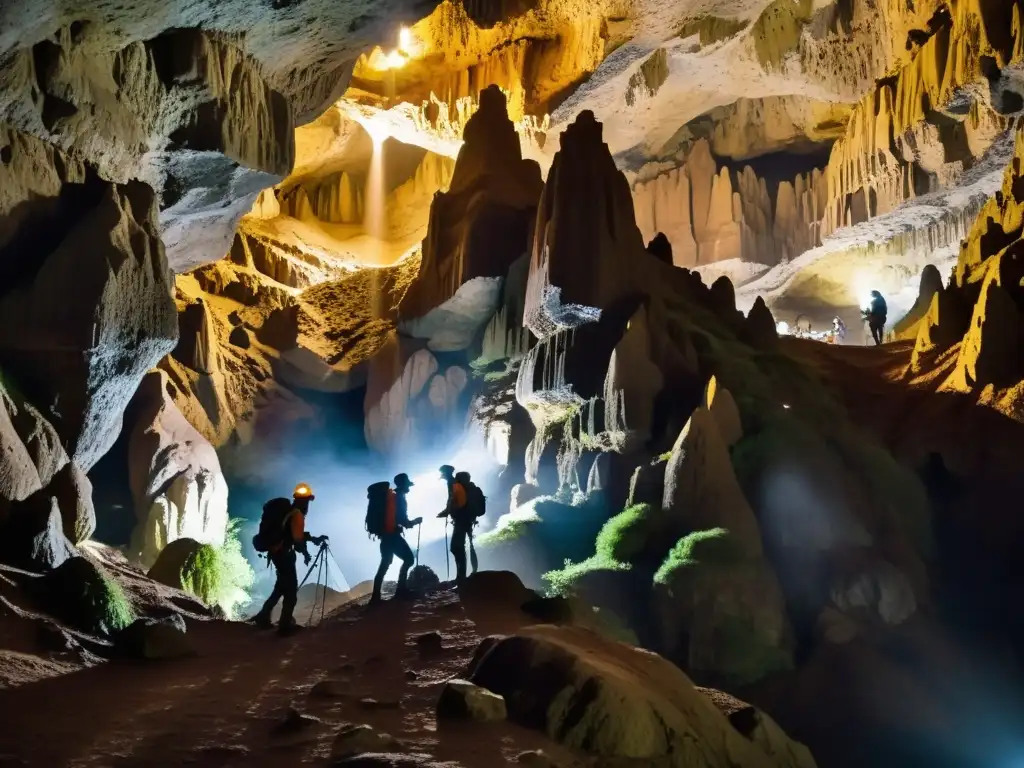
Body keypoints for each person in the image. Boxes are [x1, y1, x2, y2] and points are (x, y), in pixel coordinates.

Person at [252, 483, 328, 636]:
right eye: (307, 501)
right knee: (291, 591)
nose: (307, 505)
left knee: (280, 587)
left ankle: (263, 616)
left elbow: (292, 534)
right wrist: (305, 552)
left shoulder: (288, 513)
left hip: (276, 553)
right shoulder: (297, 514)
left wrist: (312, 539)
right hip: (284, 555)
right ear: (305, 502)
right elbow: (298, 540)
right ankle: (285, 626)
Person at [369, 473, 422, 605]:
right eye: (408, 484)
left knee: (385, 564)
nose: (409, 487)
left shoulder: (390, 497)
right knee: (409, 559)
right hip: (393, 536)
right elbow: (402, 520)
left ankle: (375, 597)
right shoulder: (399, 498)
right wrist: (415, 521)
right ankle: (401, 590)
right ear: (403, 484)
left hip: (385, 536)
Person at [437, 468, 478, 584]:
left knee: (456, 547)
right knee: (459, 547)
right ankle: (461, 577)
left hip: (461, 520)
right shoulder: (459, 484)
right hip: (466, 519)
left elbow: (452, 500)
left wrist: (447, 512)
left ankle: (461, 578)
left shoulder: (453, 484)